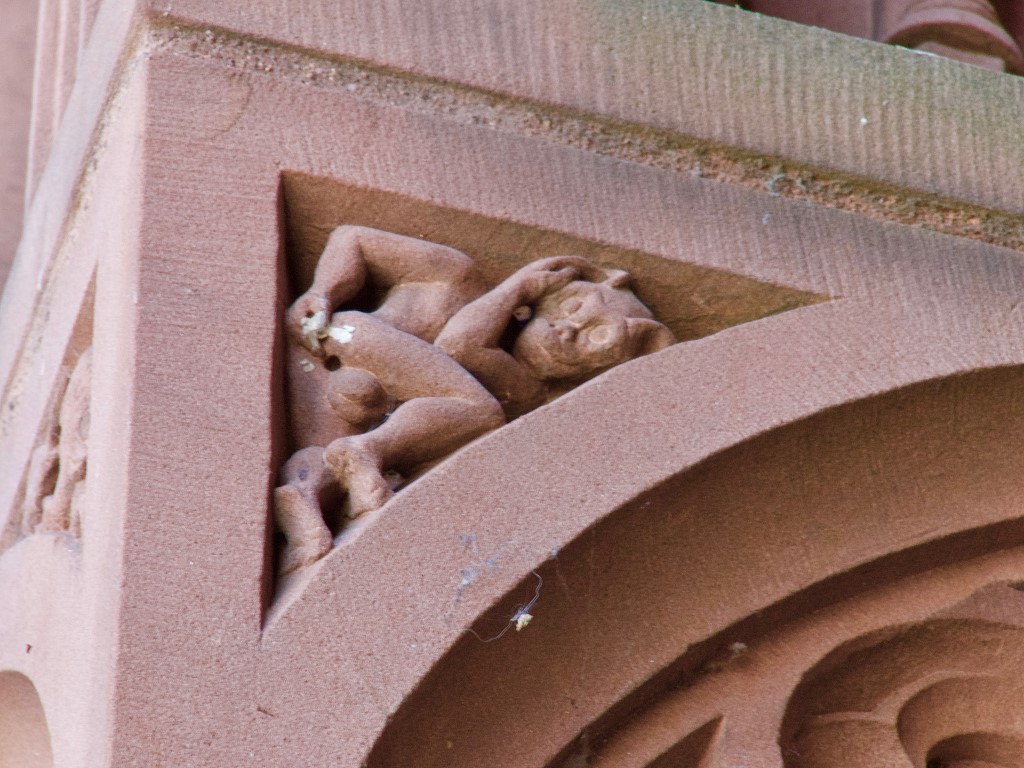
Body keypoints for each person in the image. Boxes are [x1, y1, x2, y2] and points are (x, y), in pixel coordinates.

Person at [274, 226, 674, 574]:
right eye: (575, 308)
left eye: (595, 338)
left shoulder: (526, 392)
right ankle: (367, 451)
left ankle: (301, 503)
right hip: (342, 338)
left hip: (334, 385)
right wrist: (321, 292)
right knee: (480, 411)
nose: (568, 329)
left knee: (324, 459)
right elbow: (356, 242)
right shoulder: (459, 279)